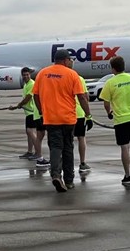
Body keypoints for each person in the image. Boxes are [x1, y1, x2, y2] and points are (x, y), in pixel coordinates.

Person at [33, 49, 91, 192]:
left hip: (51, 119)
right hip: (68, 119)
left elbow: (35, 95)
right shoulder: (72, 74)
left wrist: (41, 111)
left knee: (55, 147)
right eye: (70, 59)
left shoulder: (42, 73)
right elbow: (82, 97)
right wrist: (88, 114)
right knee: (68, 148)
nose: (71, 62)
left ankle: (56, 175)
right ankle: (69, 180)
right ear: (65, 60)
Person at [100, 56, 130, 185]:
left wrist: (109, 113)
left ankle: (127, 175)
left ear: (113, 68)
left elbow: (106, 102)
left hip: (121, 119)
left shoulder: (110, 83)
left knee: (125, 147)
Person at [9, 67, 42, 161]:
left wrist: (18, 105)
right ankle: (30, 151)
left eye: (27, 75)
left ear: (30, 75)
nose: (26, 76)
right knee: (29, 133)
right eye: (24, 75)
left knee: (30, 132)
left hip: (33, 112)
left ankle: (38, 153)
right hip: (28, 112)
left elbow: (28, 97)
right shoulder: (26, 84)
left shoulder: (32, 84)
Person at [70, 63, 92, 173]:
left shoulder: (61, 78)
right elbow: (85, 97)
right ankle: (82, 162)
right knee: (81, 138)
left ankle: (65, 162)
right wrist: (89, 115)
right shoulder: (80, 79)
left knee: (66, 140)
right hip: (79, 113)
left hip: (66, 113)